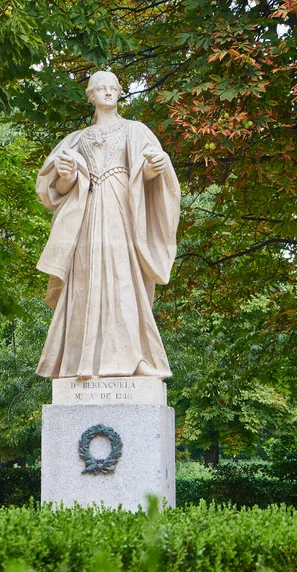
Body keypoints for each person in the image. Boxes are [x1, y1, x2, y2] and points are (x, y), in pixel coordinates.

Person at [36, 71, 180, 379]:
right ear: (90, 96)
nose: (107, 92)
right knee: (85, 284)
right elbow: (57, 191)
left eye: (113, 88)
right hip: (86, 216)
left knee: (123, 282)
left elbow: (151, 174)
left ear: (119, 92)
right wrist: (65, 175)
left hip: (123, 214)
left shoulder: (135, 131)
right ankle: (80, 360)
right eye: (100, 88)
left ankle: (135, 357)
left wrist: (156, 168)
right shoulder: (75, 140)